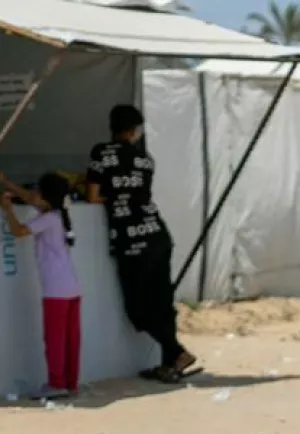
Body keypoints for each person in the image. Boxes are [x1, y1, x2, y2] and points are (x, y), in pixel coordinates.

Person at [87, 104, 198, 384]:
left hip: (131, 241)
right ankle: (169, 364)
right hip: (157, 234)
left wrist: (112, 198)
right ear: (134, 130)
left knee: (137, 309)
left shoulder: (101, 153)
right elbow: (139, 193)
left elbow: (93, 196)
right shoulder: (145, 159)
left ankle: (176, 353)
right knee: (162, 304)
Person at [0, 173, 81, 399]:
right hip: (72, 288)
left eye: (37, 191)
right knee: (70, 340)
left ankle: (56, 384)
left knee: (54, 339)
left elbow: (18, 231)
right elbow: (28, 197)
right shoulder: (57, 214)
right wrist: (6, 182)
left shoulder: (48, 219)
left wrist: (8, 210)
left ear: (45, 197)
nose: (32, 194)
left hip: (56, 290)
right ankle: (70, 383)